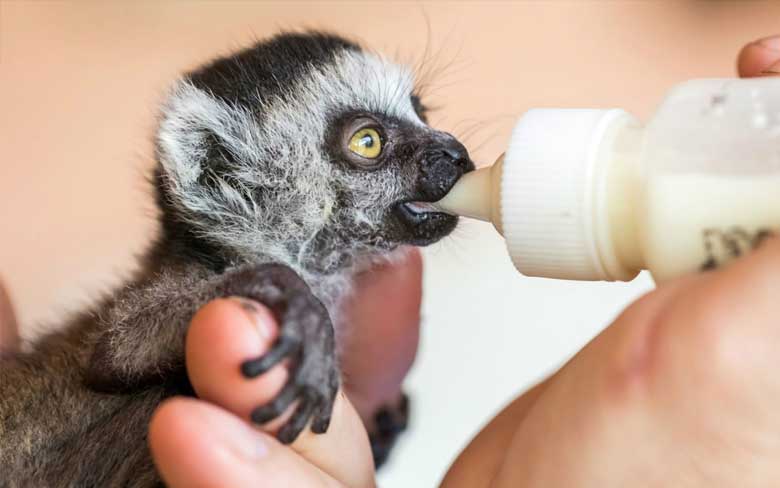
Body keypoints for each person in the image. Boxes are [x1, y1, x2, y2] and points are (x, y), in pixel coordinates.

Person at [1, 35, 779, 488]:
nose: (441, 150)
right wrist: (264, 288)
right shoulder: (183, 299)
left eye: (419, 116)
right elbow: (122, 347)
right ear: (219, 174)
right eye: (367, 142)